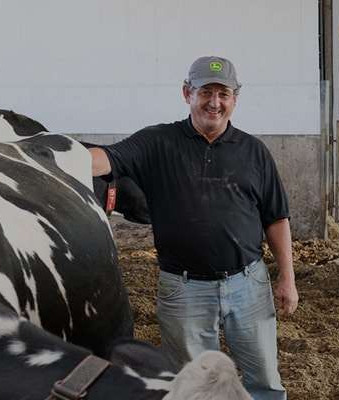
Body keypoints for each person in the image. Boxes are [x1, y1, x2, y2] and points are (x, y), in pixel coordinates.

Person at [90, 55, 298, 400]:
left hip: (248, 284)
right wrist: (59, 155)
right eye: (205, 92)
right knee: (192, 387)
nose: (214, 103)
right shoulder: (157, 142)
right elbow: (106, 159)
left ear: (235, 98)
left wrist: (287, 278)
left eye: (223, 94)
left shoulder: (255, 152)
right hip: (183, 290)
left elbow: (276, 217)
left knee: (264, 381)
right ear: (188, 93)